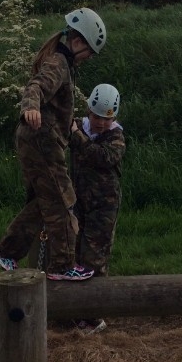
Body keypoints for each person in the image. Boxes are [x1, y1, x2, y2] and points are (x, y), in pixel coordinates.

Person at [0, 7, 106, 281]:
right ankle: (62, 265)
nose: (89, 58)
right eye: (89, 52)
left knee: (45, 201)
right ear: (78, 42)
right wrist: (31, 107)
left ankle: (5, 251)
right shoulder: (58, 63)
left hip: (40, 140)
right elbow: (36, 86)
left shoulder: (65, 64)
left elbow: (58, 110)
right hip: (41, 141)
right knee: (64, 199)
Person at [68, 83, 125, 333]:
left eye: (106, 118)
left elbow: (102, 157)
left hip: (104, 207)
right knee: (74, 255)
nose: (101, 123)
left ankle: (94, 316)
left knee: (94, 258)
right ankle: (75, 310)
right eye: (96, 117)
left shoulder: (116, 137)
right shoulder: (77, 127)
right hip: (78, 202)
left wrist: (76, 136)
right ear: (88, 111)